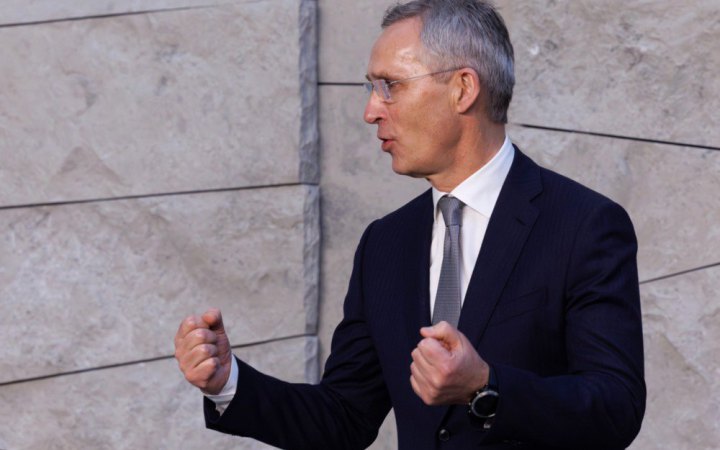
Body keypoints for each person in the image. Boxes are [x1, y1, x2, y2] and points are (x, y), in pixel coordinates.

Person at [174, 1, 646, 448]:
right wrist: (228, 382)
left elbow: (616, 407)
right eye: (371, 88)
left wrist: (486, 386)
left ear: (463, 88)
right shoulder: (385, 243)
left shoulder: (584, 225)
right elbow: (343, 416)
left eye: (390, 86)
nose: (371, 111)